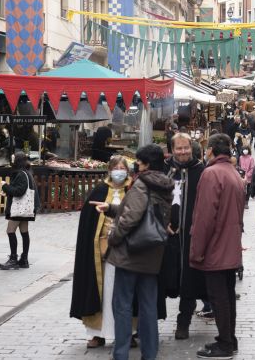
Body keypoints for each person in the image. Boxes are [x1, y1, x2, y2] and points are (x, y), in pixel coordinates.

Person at [91, 144, 174, 360]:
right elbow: (147, 213)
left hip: (131, 253)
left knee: (122, 306)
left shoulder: (141, 185)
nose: (136, 164)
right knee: (148, 308)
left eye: (139, 161)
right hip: (152, 252)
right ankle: (149, 354)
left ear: (146, 163)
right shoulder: (164, 185)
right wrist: (111, 208)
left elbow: (132, 217)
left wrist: (113, 238)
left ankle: (121, 354)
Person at [190, 134, 246, 359]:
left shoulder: (211, 173)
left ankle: (224, 343)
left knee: (219, 297)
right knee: (227, 295)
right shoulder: (233, 173)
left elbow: (204, 217)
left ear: (211, 150)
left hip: (215, 246)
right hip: (229, 245)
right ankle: (229, 339)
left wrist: (197, 251)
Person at [70, 155, 132, 348]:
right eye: (116, 167)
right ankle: (98, 333)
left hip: (127, 254)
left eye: (123, 167)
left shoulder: (133, 190)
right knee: (101, 292)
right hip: (101, 254)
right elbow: (88, 223)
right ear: (110, 171)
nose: (119, 171)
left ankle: (128, 333)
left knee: (125, 293)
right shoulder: (99, 191)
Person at [165, 133, 206, 340]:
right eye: (178, 148)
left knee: (189, 279)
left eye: (186, 148)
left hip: (191, 236)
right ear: (172, 150)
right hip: (166, 237)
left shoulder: (201, 171)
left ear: (192, 147)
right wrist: (163, 223)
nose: (183, 152)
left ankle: (184, 322)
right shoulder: (165, 171)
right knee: (163, 277)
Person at [0, 152, 40, 270]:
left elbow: (19, 191)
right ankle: (24, 259)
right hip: (25, 208)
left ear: (17, 161)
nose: (12, 161)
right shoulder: (27, 173)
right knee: (24, 232)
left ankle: (13, 259)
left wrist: (5, 186)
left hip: (19, 208)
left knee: (10, 231)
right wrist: (8, 191)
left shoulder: (21, 174)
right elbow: (20, 190)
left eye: (13, 159)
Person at [239, 145, 255, 210]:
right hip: (242, 176)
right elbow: (240, 165)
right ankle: (242, 202)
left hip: (249, 177)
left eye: (246, 149)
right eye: (244, 149)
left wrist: (248, 175)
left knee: (248, 190)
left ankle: (246, 202)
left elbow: (252, 168)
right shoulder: (240, 157)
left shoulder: (251, 158)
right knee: (242, 190)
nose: (245, 150)